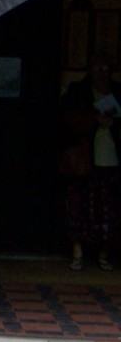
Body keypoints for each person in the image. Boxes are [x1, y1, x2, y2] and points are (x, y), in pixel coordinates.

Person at [60, 54, 120, 271]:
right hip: (85, 159)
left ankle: (104, 255)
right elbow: (67, 119)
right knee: (79, 205)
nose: (101, 71)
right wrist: (92, 118)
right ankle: (77, 253)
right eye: (96, 67)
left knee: (109, 208)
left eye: (105, 67)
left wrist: (113, 123)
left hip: (111, 159)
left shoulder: (118, 92)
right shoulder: (78, 91)